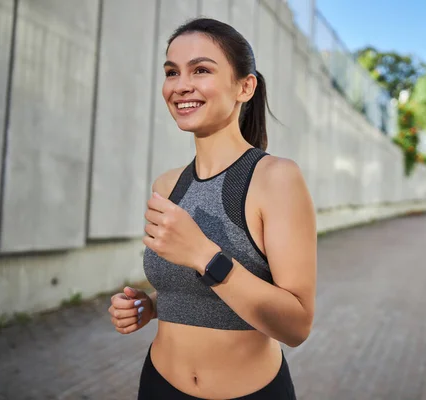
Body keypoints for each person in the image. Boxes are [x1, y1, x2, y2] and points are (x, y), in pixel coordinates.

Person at [108, 17, 317, 399]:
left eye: (201, 70)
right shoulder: (167, 186)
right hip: (158, 385)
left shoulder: (275, 179)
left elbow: (297, 325)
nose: (181, 84)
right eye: (172, 72)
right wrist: (152, 305)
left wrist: (204, 255)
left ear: (245, 86)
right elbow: (197, 293)